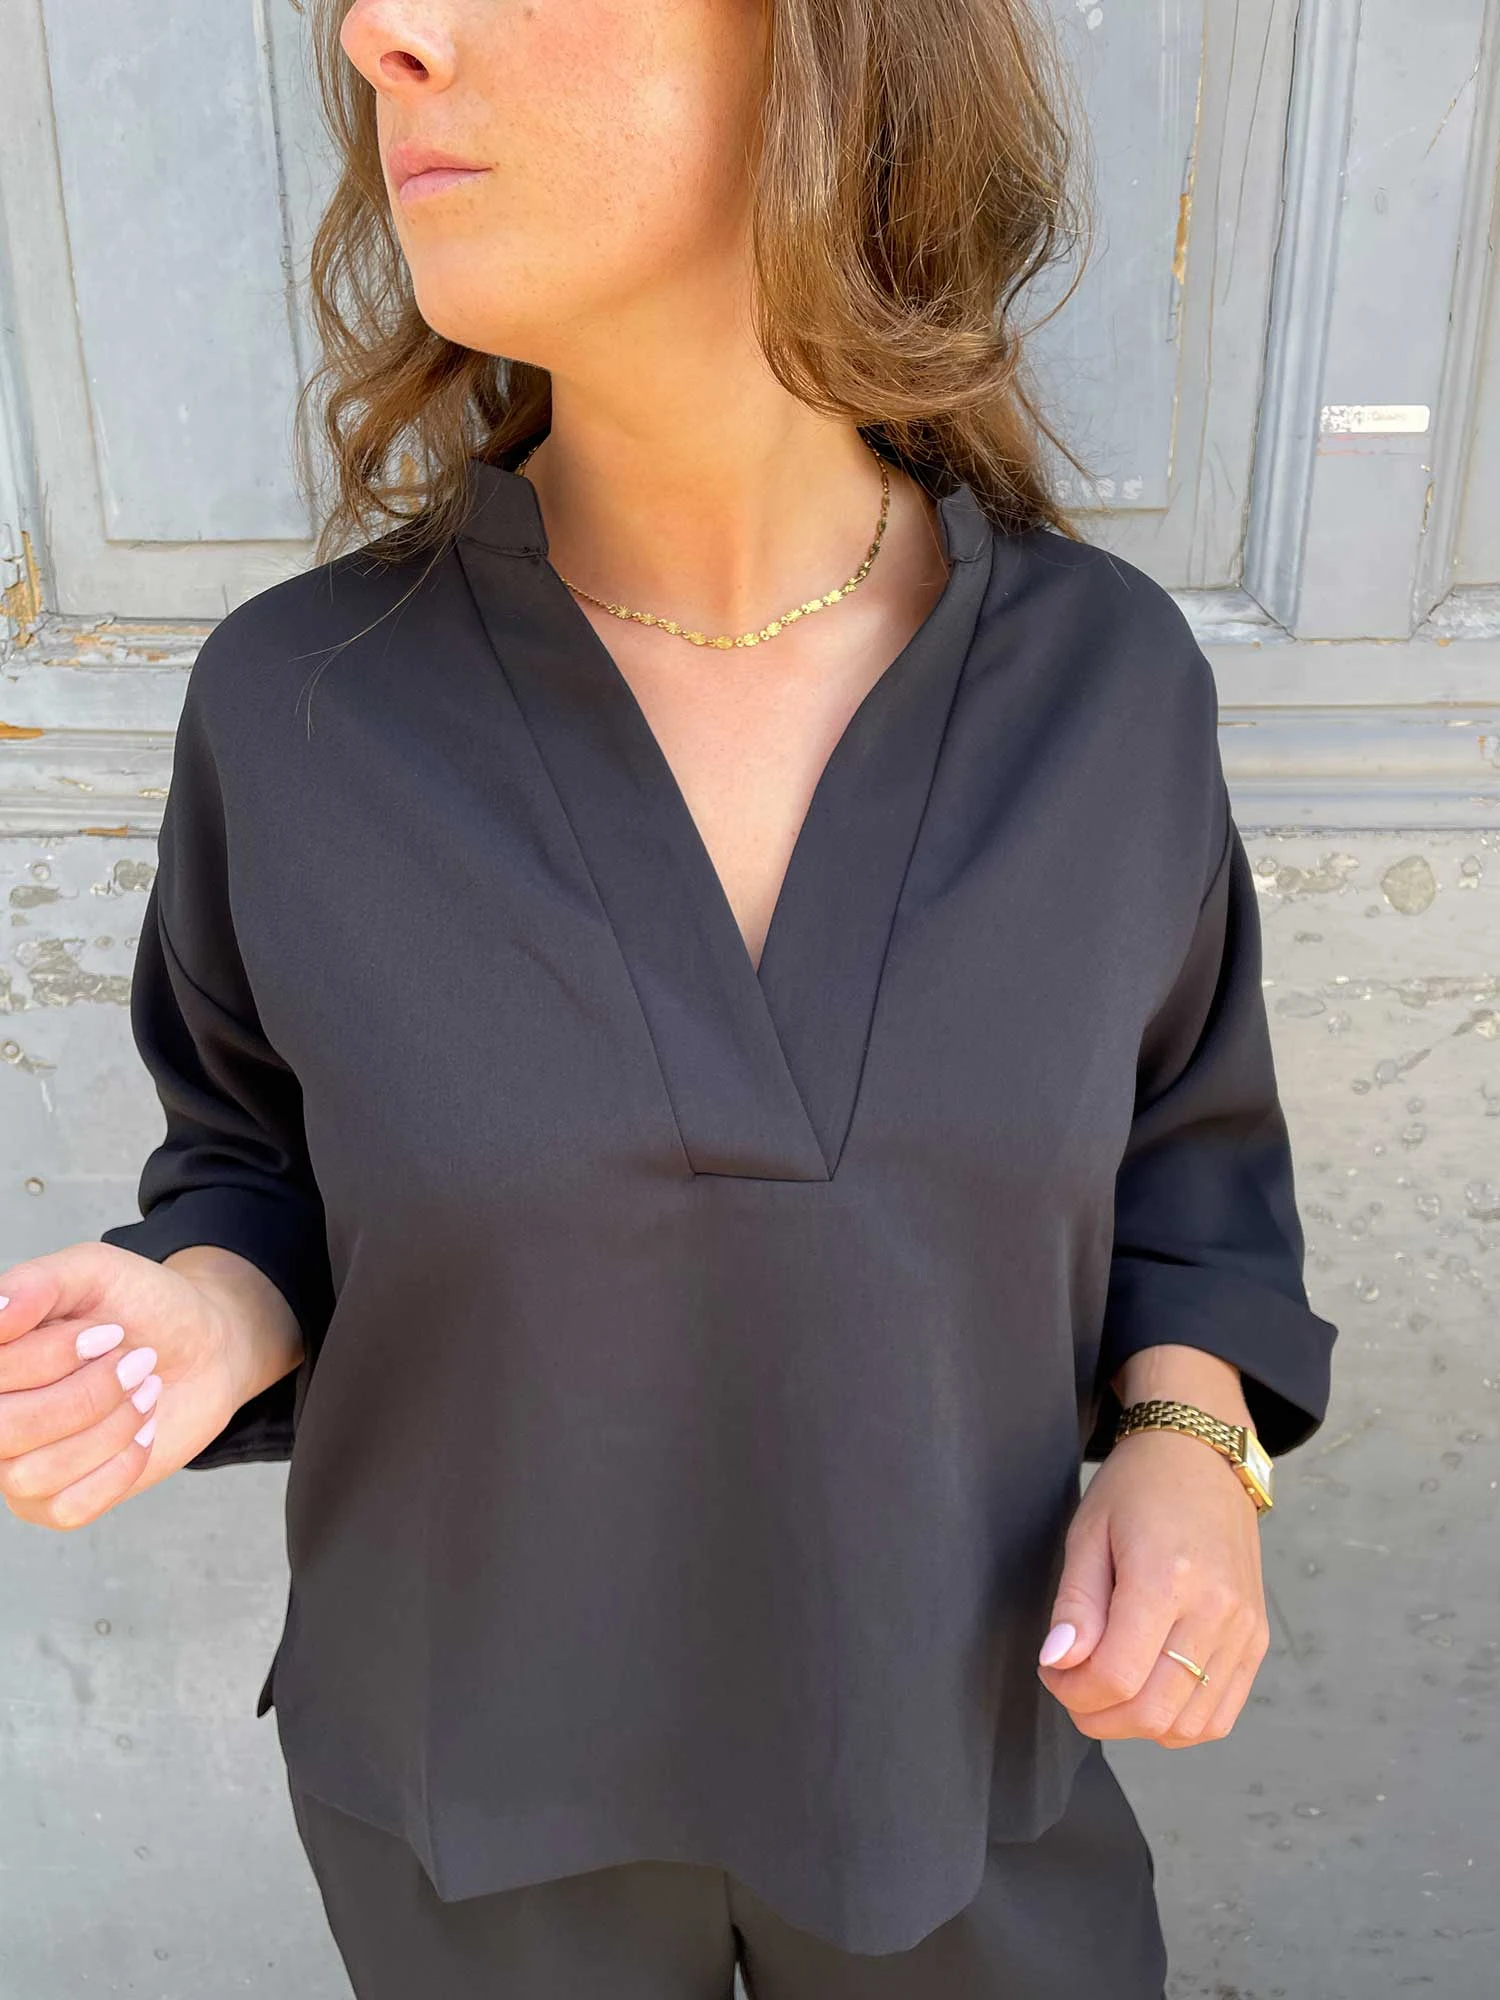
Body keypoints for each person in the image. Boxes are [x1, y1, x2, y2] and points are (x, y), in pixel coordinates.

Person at [0, 1, 1338, 1994]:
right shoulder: (302, 709)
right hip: (470, 1802)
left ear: (830, 46)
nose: (381, 30)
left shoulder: (1106, 692)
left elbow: (1187, 1171)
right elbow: (260, 1175)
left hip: (963, 1769)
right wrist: (194, 1315)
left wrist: (1189, 1447)